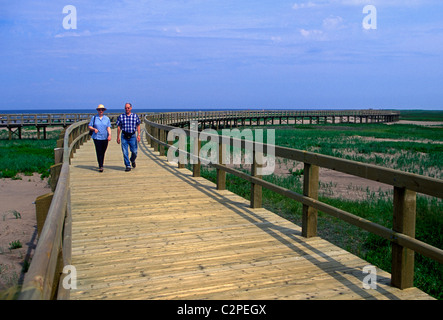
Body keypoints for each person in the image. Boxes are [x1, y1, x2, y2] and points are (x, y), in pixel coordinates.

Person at [116, 102, 141, 172]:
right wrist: (117, 137)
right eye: (126, 108)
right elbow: (118, 127)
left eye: (128, 108)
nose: (127, 109)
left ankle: (132, 160)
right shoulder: (121, 116)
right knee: (125, 152)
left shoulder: (135, 116)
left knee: (134, 151)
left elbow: (138, 125)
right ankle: (127, 165)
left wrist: (139, 135)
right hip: (124, 136)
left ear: (131, 108)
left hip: (132, 136)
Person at [88, 104, 112, 172]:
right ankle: (100, 165)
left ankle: (101, 162)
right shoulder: (94, 118)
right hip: (97, 137)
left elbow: (108, 127)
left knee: (103, 151)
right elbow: (89, 126)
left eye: (102, 110)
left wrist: (109, 135)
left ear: (103, 110)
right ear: (97, 110)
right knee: (99, 151)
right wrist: (93, 129)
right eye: (99, 110)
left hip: (105, 137)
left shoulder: (106, 118)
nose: (100, 111)